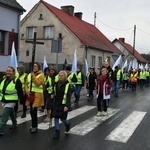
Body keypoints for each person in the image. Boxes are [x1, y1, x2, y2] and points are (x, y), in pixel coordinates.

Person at [0, 66, 23, 136]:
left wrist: (21, 100)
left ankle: (1, 129)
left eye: (10, 71)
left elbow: (20, 91)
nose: (8, 72)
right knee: (11, 112)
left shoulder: (17, 81)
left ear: (13, 72)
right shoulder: (3, 79)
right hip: (4, 99)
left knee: (5, 114)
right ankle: (14, 123)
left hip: (12, 100)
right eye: (7, 71)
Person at [25, 62, 44, 133]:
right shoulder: (29, 75)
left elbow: (38, 84)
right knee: (32, 111)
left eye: (35, 66)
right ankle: (34, 125)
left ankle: (34, 126)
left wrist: (33, 76)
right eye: (33, 66)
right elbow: (26, 84)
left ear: (38, 67)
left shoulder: (41, 75)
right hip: (30, 95)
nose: (34, 67)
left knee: (33, 111)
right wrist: (27, 92)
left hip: (37, 95)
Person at [51, 70, 71, 139]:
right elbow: (54, 91)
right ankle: (57, 132)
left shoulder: (68, 84)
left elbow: (68, 96)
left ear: (65, 76)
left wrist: (67, 106)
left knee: (62, 119)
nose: (60, 77)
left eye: (62, 75)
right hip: (57, 103)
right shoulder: (56, 84)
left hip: (63, 104)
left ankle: (67, 124)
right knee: (56, 117)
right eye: (59, 75)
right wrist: (52, 94)